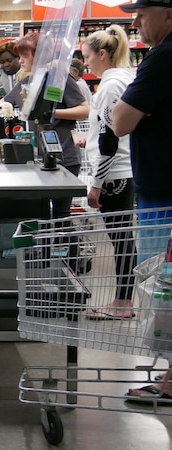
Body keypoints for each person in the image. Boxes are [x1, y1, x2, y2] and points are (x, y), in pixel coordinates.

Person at [110, 0, 172, 403]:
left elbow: (120, 121)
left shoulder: (163, 58)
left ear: (168, 14)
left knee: (166, 292)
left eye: (143, 12)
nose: (135, 21)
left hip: (164, 194)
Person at [74, 25, 136, 320]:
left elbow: (110, 141)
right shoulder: (123, 79)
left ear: (102, 54)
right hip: (122, 170)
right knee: (123, 240)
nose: (84, 63)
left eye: (87, 57)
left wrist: (96, 184)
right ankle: (122, 302)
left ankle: (122, 304)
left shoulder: (111, 85)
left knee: (121, 242)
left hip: (115, 176)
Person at [8, 32, 88, 219]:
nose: (20, 61)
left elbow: (84, 109)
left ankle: (68, 248)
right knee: (42, 213)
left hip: (63, 155)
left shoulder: (58, 79)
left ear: (39, 54)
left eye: (24, 55)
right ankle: (48, 249)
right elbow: (4, 103)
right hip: (40, 158)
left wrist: (51, 113)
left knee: (61, 214)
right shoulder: (28, 81)